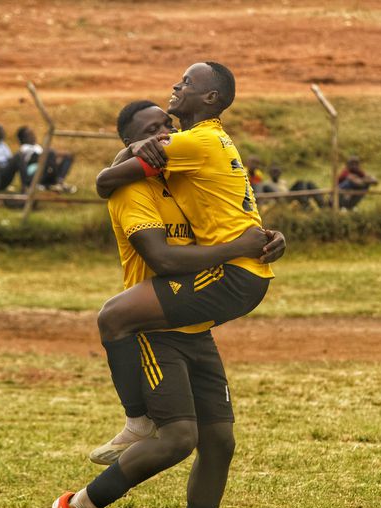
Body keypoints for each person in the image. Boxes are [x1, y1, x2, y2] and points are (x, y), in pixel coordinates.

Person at [52, 99, 285, 508]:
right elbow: (163, 261)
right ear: (130, 144)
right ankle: (79, 507)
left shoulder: (182, 175)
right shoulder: (131, 190)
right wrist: (237, 249)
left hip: (195, 326)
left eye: (167, 125)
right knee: (179, 437)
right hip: (154, 330)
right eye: (149, 130)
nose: (163, 134)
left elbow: (226, 220)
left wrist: (264, 241)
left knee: (219, 443)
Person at [93, 62, 275, 344]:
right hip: (248, 268)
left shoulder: (189, 144)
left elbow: (103, 182)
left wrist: (131, 150)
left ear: (210, 97)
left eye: (187, 82)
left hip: (231, 272)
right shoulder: (216, 140)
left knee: (114, 317)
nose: (176, 86)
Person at [16, 126, 76, 193]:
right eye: (30, 134)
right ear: (23, 138)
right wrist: (50, 156)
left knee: (67, 157)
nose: (33, 136)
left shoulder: (37, 147)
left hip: (45, 168)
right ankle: (55, 182)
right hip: (34, 173)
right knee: (50, 153)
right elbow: (34, 159)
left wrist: (61, 155)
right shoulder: (24, 148)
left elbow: (46, 155)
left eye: (33, 133)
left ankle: (59, 181)